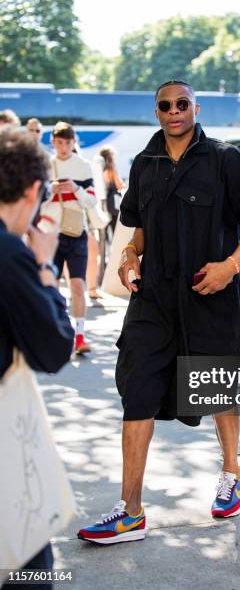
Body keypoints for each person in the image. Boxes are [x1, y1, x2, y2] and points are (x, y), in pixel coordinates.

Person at [77, 79, 240, 545]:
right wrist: (129, 257)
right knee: (138, 390)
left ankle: (231, 471)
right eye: (165, 105)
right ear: (156, 111)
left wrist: (231, 267)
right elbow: (140, 227)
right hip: (153, 302)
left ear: (195, 107)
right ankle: (129, 510)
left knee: (218, 389)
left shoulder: (227, 158)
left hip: (208, 295)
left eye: (181, 104)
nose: (173, 111)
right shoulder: (145, 162)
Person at [0, 129, 74, 586]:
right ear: (33, 191)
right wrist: (45, 266)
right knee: (31, 567)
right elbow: (54, 348)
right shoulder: (10, 255)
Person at [40, 121, 97, 354]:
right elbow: (33, 201)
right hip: (50, 232)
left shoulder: (83, 166)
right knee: (51, 285)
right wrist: (49, 191)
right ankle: (55, 332)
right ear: (53, 142)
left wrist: (75, 188)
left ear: (74, 143)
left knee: (77, 284)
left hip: (76, 232)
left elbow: (91, 201)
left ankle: (80, 336)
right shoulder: (45, 165)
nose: (64, 147)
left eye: (68, 142)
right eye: (59, 142)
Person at [99, 145, 124, 233]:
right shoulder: (111, 170)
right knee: (115, 230)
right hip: (113, 205)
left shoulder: (100, 170)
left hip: (104, 205)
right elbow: (119, 186)